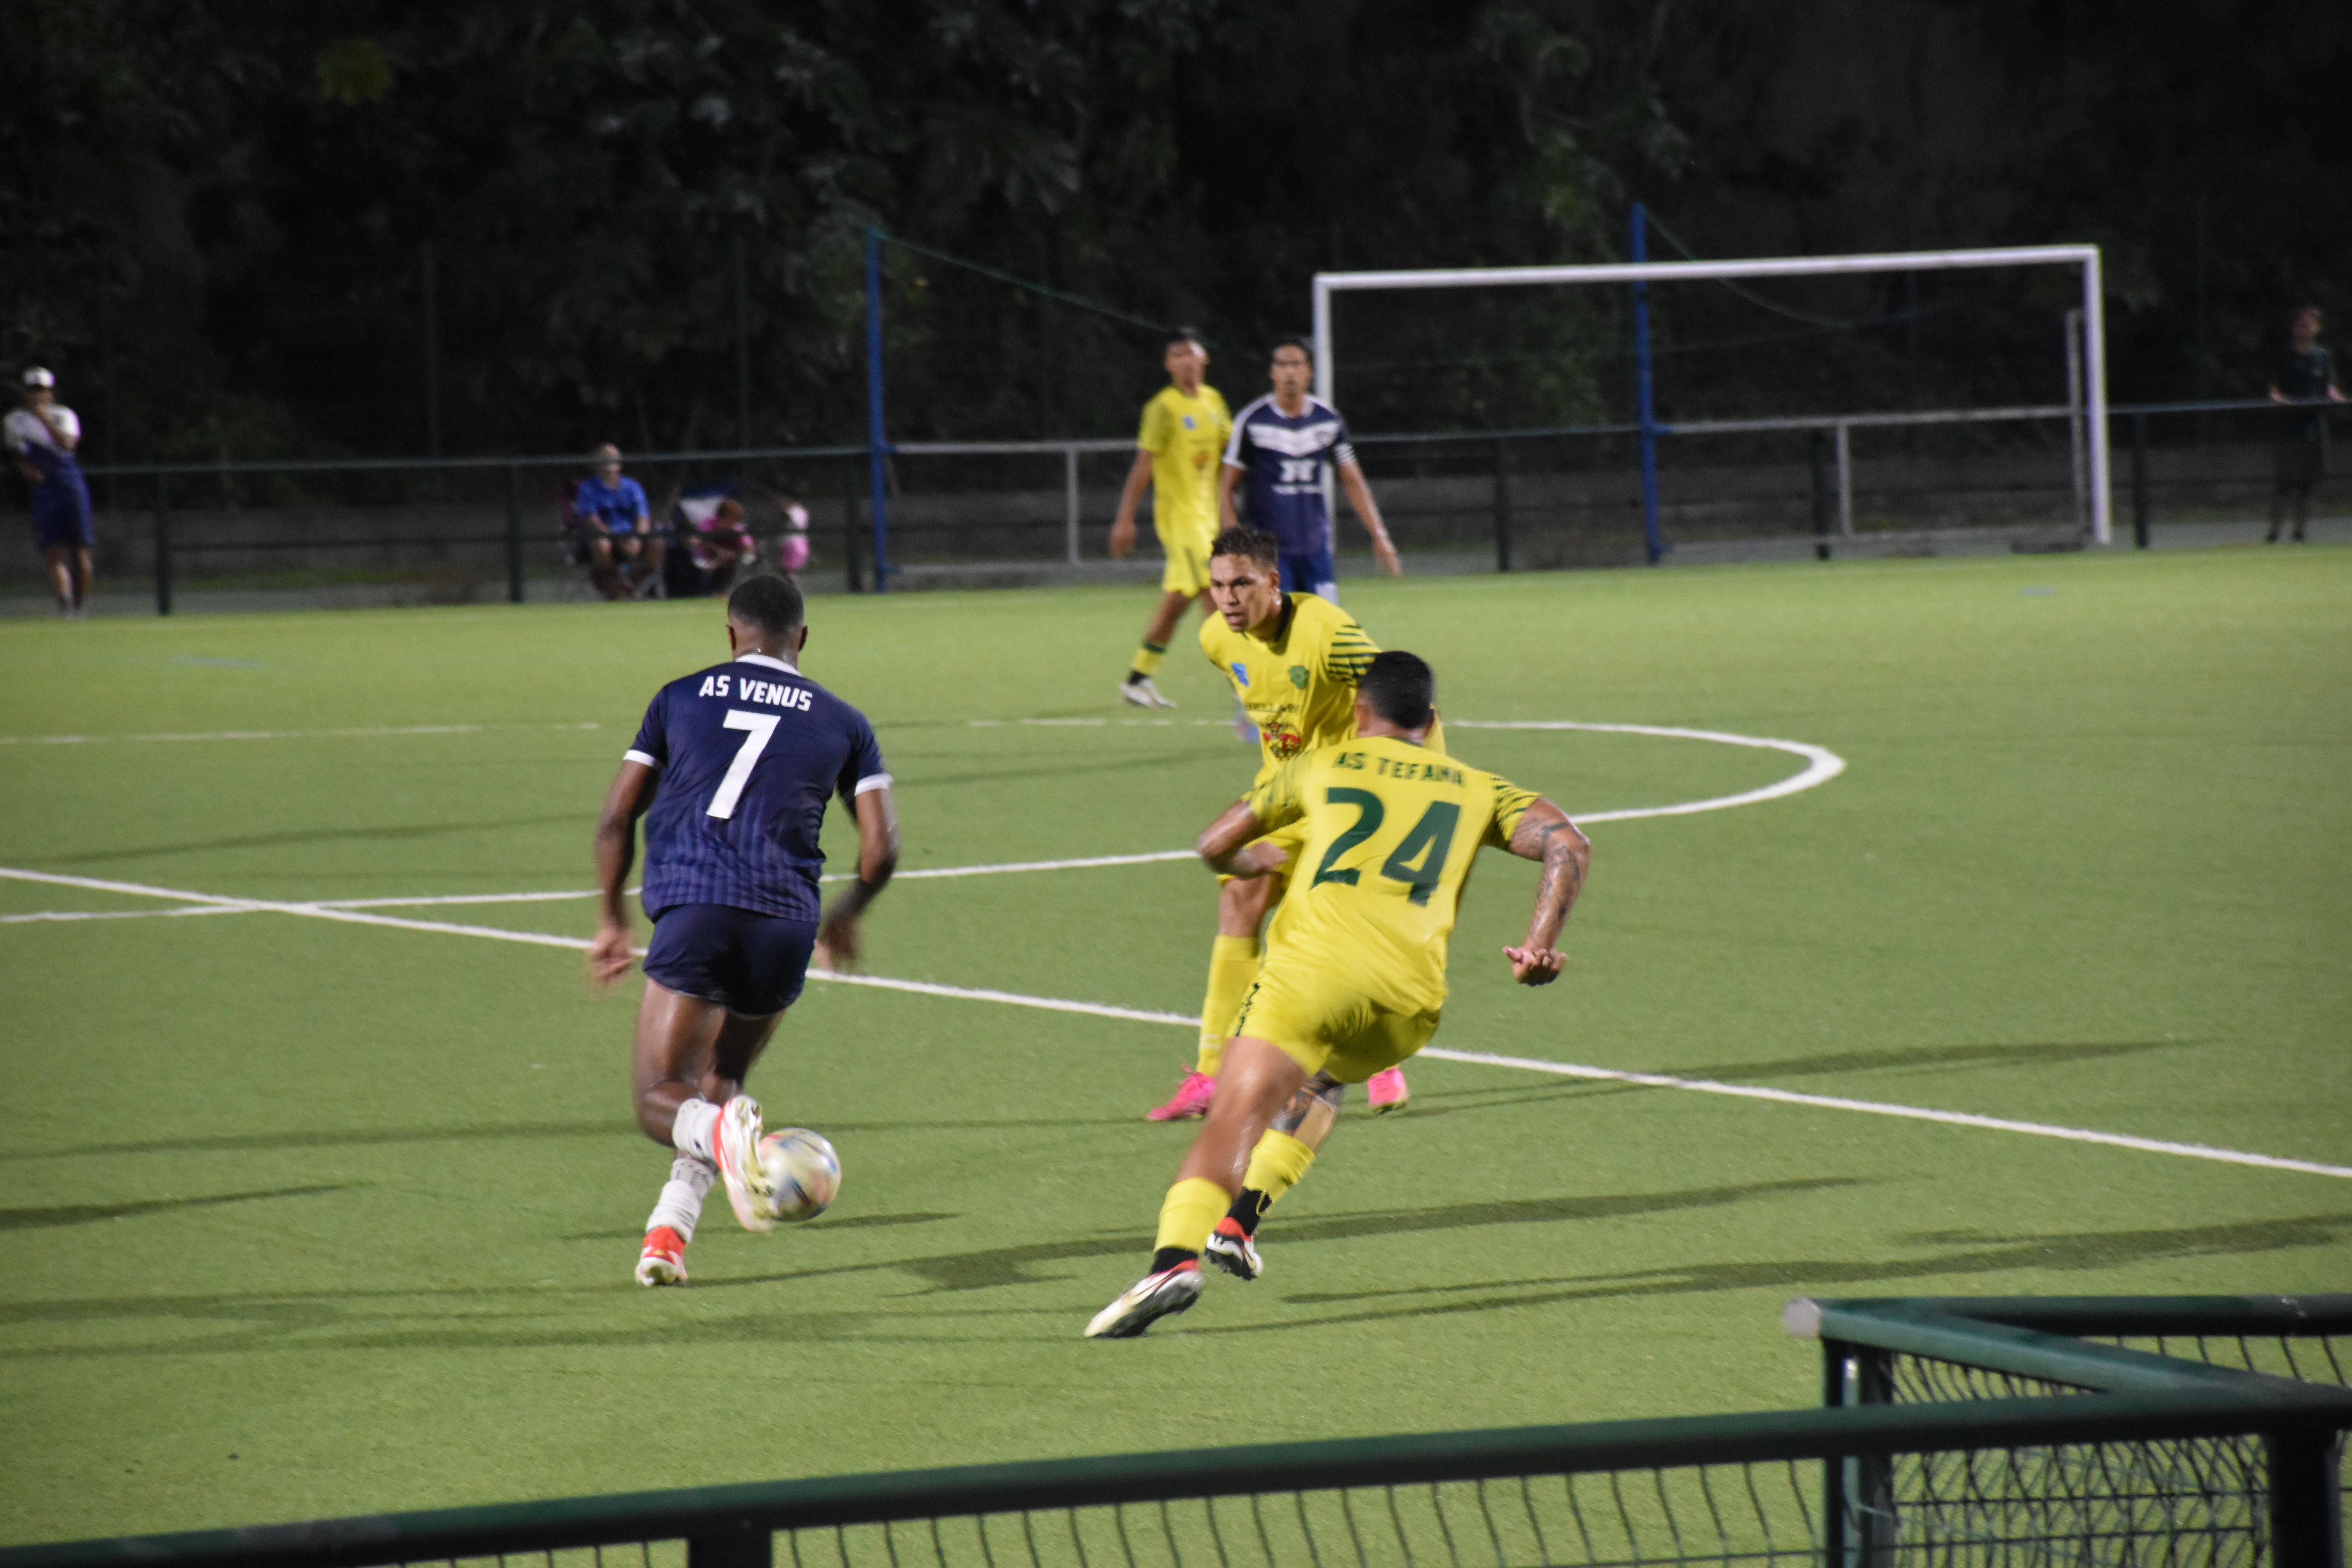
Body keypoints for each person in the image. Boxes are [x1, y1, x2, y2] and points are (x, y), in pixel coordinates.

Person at [1088, 651, 1590, 1338]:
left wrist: (1249, 860)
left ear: (1359, 714)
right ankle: (1242, 1221)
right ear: (1432, 720)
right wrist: (1538, 946)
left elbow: (1213, 843)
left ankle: (1172, 1262)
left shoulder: (1324, 764)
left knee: (1234, 1113)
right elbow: (1570, 844)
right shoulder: (1476, 786)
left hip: (1311, 980)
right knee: (1325, 1076)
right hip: (1408, 1006)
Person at [589, 575, 898, 1287]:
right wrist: (845, 916)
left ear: (731, 635)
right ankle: (670, 1233)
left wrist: (611, 918)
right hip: (787, 921)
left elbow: (615, 819)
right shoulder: (845, 722)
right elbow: (882, 851)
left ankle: (725, 1137)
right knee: (720, 1079)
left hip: (698, 907)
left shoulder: (679, 697)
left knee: (659, 1099)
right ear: (804, 639)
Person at [1144, 526, 1431, 1123]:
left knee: (1338, 936)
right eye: (1219, 586)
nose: (1227, 599)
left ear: (1274, 583)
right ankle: (1210, 1075)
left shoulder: (1325, 631)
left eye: (1242, 584)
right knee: (1239, 902)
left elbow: (1407, 707)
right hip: (1283, 798)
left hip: (1347, 803)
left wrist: (1419, 784)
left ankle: (1379, 1063)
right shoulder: (1217, 641)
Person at [1218, 339, 1400, 602]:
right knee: (1282, 632)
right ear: (1272, 372)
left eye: (1296, 364)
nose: (1289, 372)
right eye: (1282, 365)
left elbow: (1352, 480)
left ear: (1309, 372)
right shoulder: (1253, 421)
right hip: (1269, 553)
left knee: (1325, 628)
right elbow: (1226, 488)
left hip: (1316, 551)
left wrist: (1379, 535)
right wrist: (1233, 544)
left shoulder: (1327, 421)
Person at [1109, 331, 1232, 708]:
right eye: (1176, 356)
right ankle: (1243, 682)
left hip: (1209, 517)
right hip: (1180, 521)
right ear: (1168, 365)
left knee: (1177, 602)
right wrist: (1125, 520)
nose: (1185, 362)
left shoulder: (1214, 403)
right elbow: (1143, 465)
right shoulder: (1163, 407)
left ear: (1204, 359)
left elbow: (1231, 456)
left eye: (1190, 354)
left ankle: (1138, 678)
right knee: (1217, 590)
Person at [6, 367, 94, 617]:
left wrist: (44, 419)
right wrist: (27, 470)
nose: (37, 396)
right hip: (45, 490)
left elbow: (67, 444)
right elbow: (17, 454)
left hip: (70, 485)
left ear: (50, 393)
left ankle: (80, 603)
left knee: (80, 549)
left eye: (42, 391)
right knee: (52, 549)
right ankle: (65, 605)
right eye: (33, 391)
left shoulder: (63, 415)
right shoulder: (15, 422)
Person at [2267, 307, 2344, 544]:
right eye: (2300, 325)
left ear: (2317, 329)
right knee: (2284, 484)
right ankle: (2273, 533)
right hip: (2289, 428)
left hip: (2314, 428)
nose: (2304, 330)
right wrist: (2279, 400)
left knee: (2307, 486)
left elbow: (2329, 386)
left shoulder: (2323, 356)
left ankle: (2299, 532)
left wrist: (2335, 396)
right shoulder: (2283, 355)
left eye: (2309, 325)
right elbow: (2274, 389)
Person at [576, 443, 661, 598]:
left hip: (633, 538)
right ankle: (617, 589)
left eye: (613, 459)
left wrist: (637, 538)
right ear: (597, 464)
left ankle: (635, 585)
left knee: (658, 541)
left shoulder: (633, 487)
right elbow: (592, 521)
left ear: (620, 463)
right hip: (608, 540)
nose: (609, 463)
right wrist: (617, 539)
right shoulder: (588, 489)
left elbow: (643, 517)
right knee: (601, 545)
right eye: (605, 459)